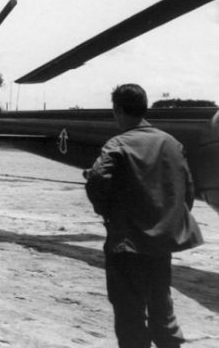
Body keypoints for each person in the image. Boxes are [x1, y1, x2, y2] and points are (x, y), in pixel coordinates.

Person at [83, 84, 203, 348]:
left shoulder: (118, 144)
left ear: (118, 111)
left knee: (129, 315)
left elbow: (97, 181)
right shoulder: (172, 143)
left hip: (127, 246)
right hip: (162, 245)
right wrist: (167, 220)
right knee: (162, 308)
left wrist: (110, 215)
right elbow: (188, 191)